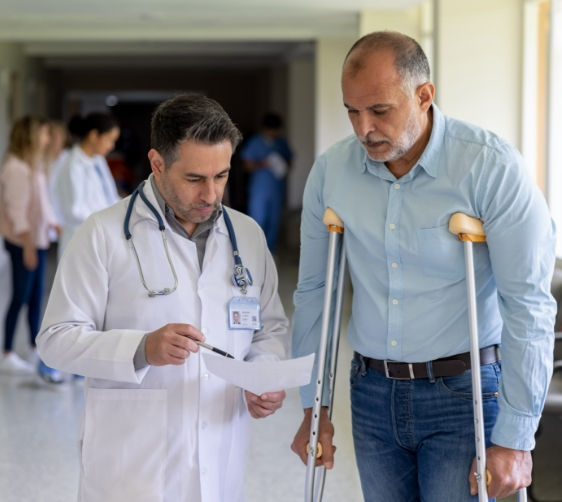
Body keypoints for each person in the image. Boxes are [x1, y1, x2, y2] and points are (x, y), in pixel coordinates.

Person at [290, 32, 556, 501]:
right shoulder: (333, 172)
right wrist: (314, 404)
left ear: (424, 96)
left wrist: (516, 439)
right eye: (352, 111)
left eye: (380, 110)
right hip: (371, 391)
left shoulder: (491, 167)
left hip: (465, 392)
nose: (363, 128)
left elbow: (528, 306)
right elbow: (315, 292)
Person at [37, 94, 289, 502]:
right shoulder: (102, 234)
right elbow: (55, 340)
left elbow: (269, 327)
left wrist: (263, 372)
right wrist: (140, 348)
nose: (211, 194)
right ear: (157, 163)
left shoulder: (248, 236)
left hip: (220, 453)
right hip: (131, 467)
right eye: (194, 179)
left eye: (221, 176)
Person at [0, 116, 60, 376]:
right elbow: (17, 211)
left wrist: (54, 224)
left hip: (37, 239)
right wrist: (27, 246)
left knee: (36, 297)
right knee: (20, 297)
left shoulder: (33, 166)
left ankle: (34, 346)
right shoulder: (17, 169)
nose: (47, 140)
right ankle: (7, 353)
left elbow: (43, 203)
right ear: (31, 136)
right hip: (23, 241)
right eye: (44, 135)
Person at [55, 113, 120, 260]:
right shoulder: (73, 166)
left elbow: (110, 196)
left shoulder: (99, 161)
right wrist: (109, 217)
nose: (112, 146)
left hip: (100, 235)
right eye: (109, 139)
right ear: (94, 135)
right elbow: (76, 209)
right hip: (80, 239)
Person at [241, 113, 293, 253]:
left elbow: (290, 163)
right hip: (259, 189)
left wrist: (282, 164)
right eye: (270, 130)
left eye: (276, 130)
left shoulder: (281, 143)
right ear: (264, 129)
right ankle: (254, 252)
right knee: (257, 221)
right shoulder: (255, 142)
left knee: (274, 221)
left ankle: (270, 252)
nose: (273, 133)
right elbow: (246, 166)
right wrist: (263, 163)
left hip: (276, 189)